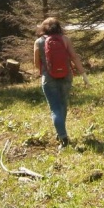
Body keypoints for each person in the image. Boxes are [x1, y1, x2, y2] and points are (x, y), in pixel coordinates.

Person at [33, 17, 89, 148]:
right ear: (58, 27)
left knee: (55, 109)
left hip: (48, 78)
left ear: (43, 27)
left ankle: (63, 138)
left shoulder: (38, 42)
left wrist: (45, 72)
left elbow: (36, 63)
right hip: (66, 76)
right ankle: (61, 133)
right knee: (63, 105)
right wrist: (84, 75)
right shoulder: (65, 39)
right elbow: (74, 57)